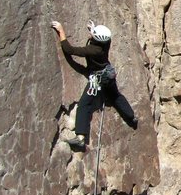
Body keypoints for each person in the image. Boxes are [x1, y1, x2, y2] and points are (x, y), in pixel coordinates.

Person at [51, 19, 138, 150]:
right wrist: (93, 30)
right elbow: (100, 37)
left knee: (84, 104)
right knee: (115, 96)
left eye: (93, 35)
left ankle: (80, 138)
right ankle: (131, 116)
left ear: (96, 40)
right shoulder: (106, 42)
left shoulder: (93, 50)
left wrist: (61, 30)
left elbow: (69, 50)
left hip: (97, 79)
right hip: (108, 75)